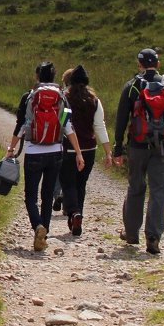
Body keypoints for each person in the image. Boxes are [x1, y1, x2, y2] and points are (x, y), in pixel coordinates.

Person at [5, 61, 83, 252]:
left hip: (33, 152)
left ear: (37, 76)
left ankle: (37, 226)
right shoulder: (62, 98)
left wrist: (11, 148)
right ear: (54, 77)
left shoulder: (29, 97)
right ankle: (44, 233)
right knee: (47, 195)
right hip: (55, 152)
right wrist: (79, 153)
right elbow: (68, 127)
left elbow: (21, 126)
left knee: (30, 196)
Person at [112, 48, 164, 255]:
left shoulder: (132, 87)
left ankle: (132, 233)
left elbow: (122, 119)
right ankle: (153, 236)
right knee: (158, 191)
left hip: (137, 145)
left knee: (136, 186)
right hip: (162, 147)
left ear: (139, 64)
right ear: (158, 64)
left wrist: (118, 147)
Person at [59, 65, 113, 236]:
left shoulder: (64, 98)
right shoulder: (94, 101)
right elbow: (99, 126)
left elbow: (62, 124)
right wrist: (107, 152)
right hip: (89, 148)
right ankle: (78, 215)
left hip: (68, 149)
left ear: (71, 82)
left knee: (67, 183)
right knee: (81, 184)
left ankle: (74, 213)